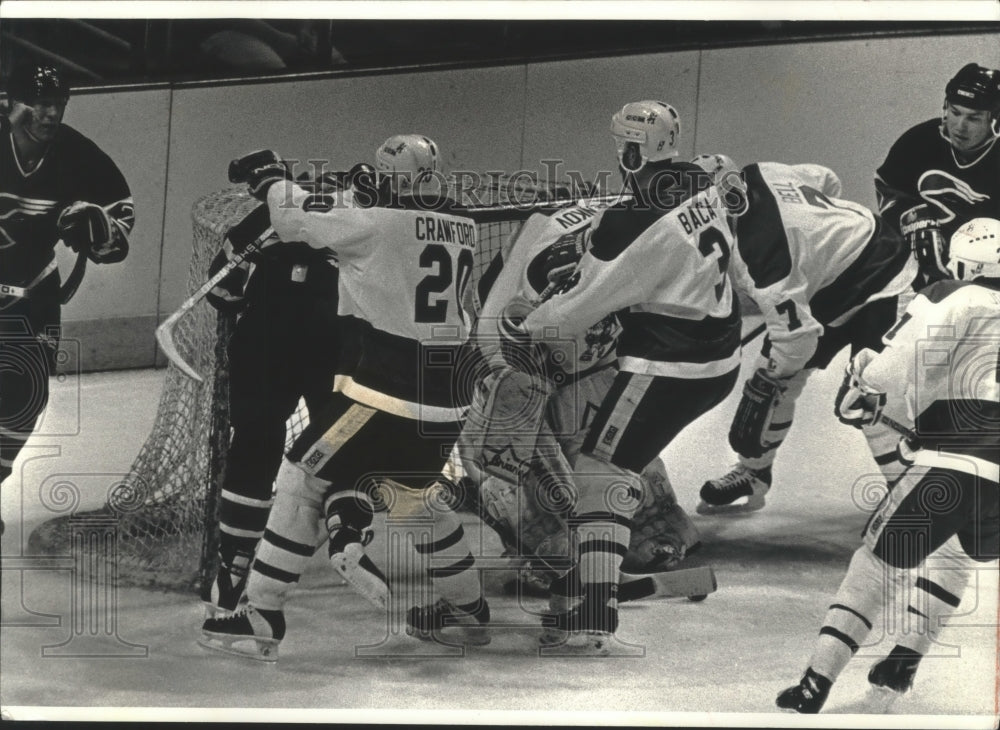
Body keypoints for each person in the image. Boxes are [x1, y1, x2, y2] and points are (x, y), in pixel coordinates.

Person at [199, 135, 488, 660]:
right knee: (413, 497)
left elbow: (288, 214)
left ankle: (262, 611)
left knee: (302, 478)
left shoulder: (372, 224)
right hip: (450, 390)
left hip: (389, 387)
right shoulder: (462, 223)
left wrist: (269, 175)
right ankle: (468, 610)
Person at [498, 101, 743, 652]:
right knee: (617, 463)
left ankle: (591, 617)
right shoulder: (698, 181)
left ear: (630, 149)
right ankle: (603, 586)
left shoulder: (628, 223)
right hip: (720, 358)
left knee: (596, 473)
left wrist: (525, 324)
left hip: (669, 365)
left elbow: (574, 311)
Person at [775, 217, 1000, 713]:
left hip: (953, 462)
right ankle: (903, 662)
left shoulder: (951, 294)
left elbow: (891, 372)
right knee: (956, 558)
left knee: (875, 565)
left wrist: (864, 382)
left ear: (965, 261)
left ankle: (817, 680)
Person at [461, 194, 701, 596]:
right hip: (516, 366)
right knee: (509, 478)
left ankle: (616, 540)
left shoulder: (649, 224)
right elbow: (494, 336)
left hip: (589, 362)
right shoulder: (555, 262)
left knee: (623, 463)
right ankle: (541, 555)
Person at [696, 156, 918, 515]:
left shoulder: (760, 258)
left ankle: (914, 496)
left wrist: (772, 379)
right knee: (774, 377)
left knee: (870, 394)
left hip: (889, 274)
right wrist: (822, 236)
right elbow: (826, 178)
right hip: (836, 280)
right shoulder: (763, 171)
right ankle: (754, 473)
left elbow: (797, 343)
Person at [199, 174, 345, 617]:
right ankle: (348, 534)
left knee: (254, 446)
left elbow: (222, 293)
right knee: (337, 446)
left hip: (265, 344)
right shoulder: (361, 221)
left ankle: (233, 565)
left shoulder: (261, 222)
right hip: (334, 346)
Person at [0, 64, 134, 536]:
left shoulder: (79, 156)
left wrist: (103, 233)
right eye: (37, 102)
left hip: (33, 293)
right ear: (8, 102)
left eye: (57, 104)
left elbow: (119, 220)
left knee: (26, 397)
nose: (49, 113)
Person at [875, 62, 1000, 288]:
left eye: (973, 118)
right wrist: (910, 216)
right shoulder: (920, 141)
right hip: (920, 272)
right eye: (955, 112)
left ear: (995, 121)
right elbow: (888, 189)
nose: (960, 126)